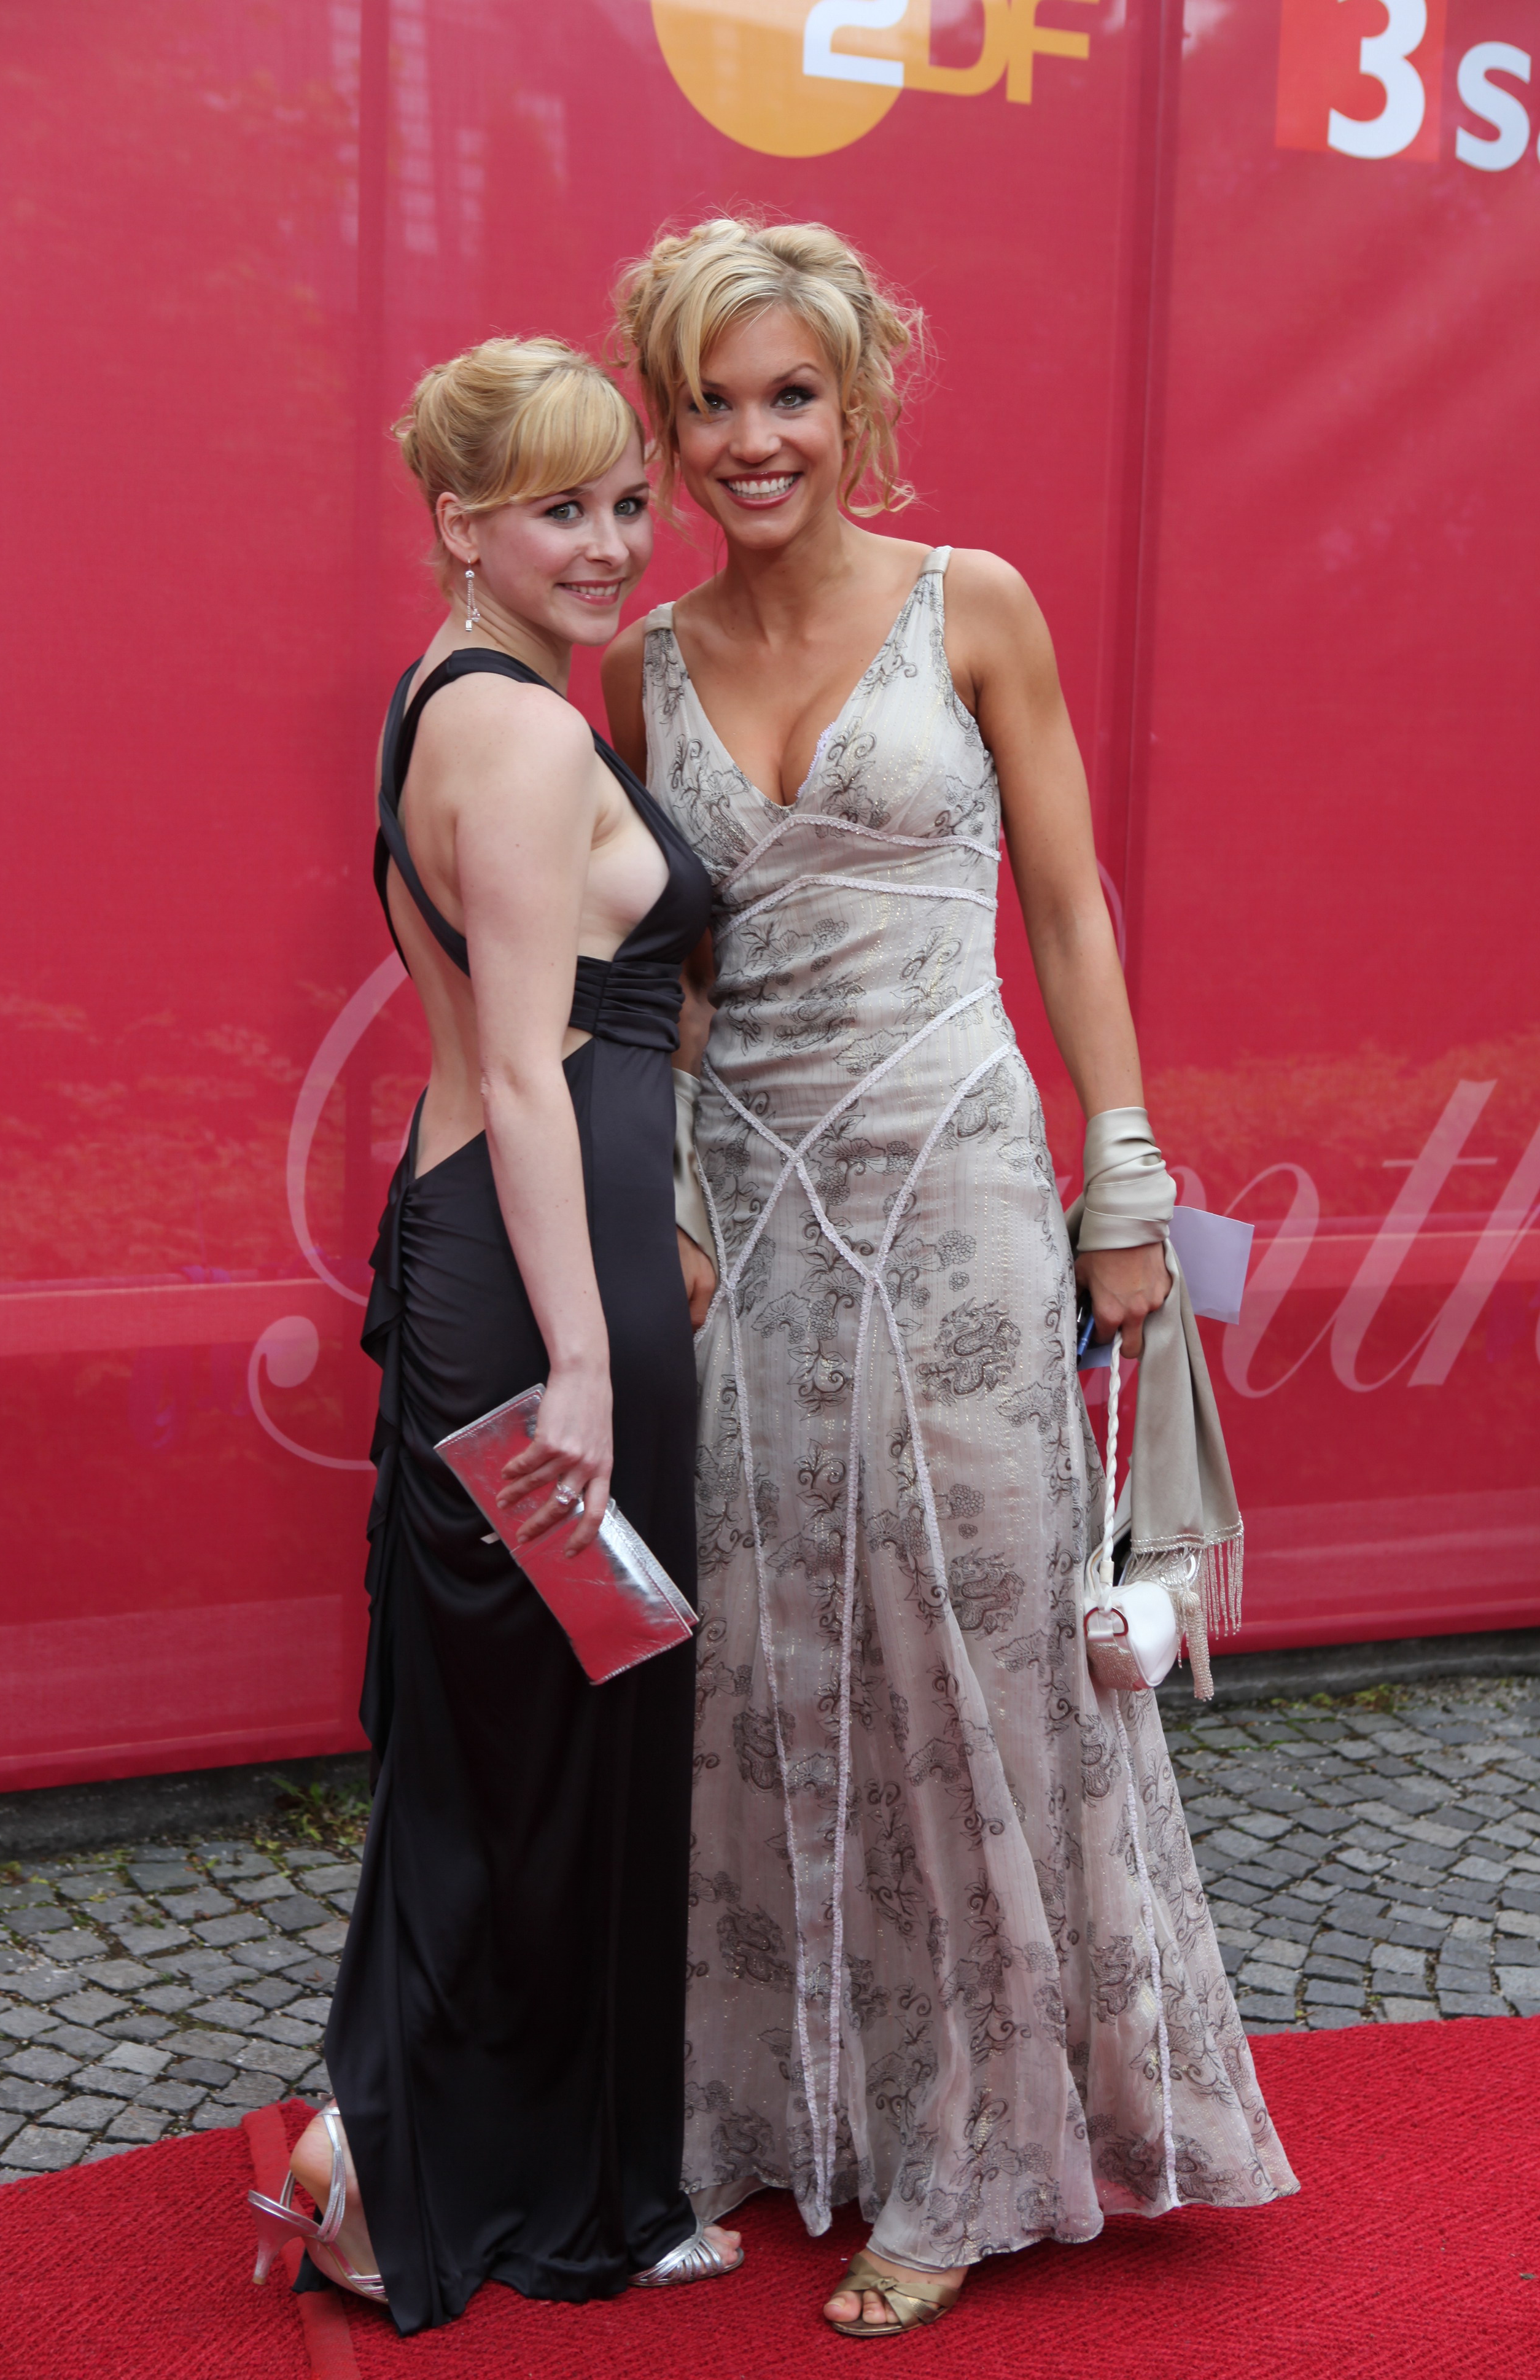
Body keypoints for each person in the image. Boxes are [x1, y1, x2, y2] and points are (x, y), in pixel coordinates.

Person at [603, 220, 1296, 2339]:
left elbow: (1068, 911)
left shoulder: (969, 603)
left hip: (961, 1183)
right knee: (774, 1653)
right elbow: (669, 983)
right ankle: (791, 2098)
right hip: (750, 1212)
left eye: (790, 395)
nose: (753, 440)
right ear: (668, 424)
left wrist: (1122, 1177)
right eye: (712, 403)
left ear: (857, 400)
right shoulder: (640, 666)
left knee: (986, 1650)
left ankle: (984, 2142)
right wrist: (671, 1202)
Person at [246, 336, 741, 2334]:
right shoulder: (523, 734)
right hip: (545, 1291)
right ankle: (428, 2175)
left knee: (534, 1735)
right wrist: (592, 1365)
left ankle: (429, 2159)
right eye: (560, 510)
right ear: (462, 524)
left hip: (533, 1263)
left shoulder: (452, 695)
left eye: (626, 502)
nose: (612, 543)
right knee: (547, 1741)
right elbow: (530, 1071)